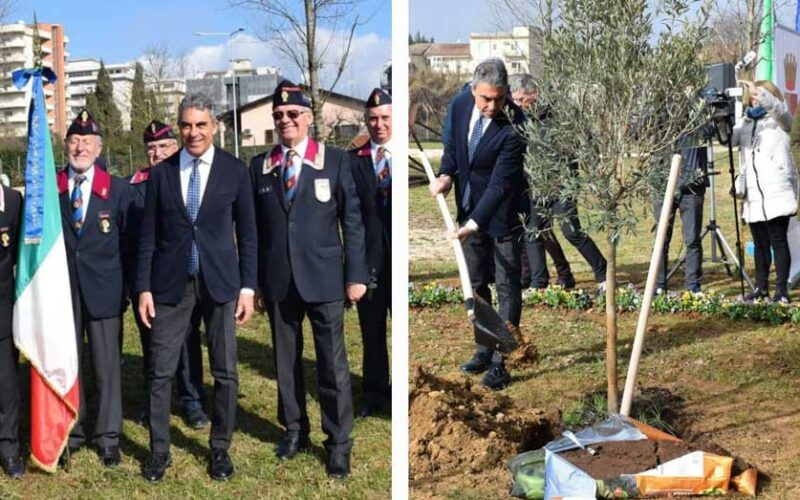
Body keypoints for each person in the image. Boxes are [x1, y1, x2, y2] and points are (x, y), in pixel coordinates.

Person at [136, 94, 257, 482]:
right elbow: (147, 237)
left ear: (214, 126)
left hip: (221, 283)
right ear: (180, 126)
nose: (193, 132)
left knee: (225, 372)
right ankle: (159, 451)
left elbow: (249, 235)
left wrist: (248, 288)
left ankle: (220, 448)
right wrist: (143, 288)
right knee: (159, 371)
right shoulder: (161, 174)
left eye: (201, 125)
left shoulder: (234, 171)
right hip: (170, 285)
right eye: (186, 125)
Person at [251, 80, 368, 478]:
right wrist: (255, 285)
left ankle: (338, 444)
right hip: (279, 282)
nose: (286, 120)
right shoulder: (260, 167)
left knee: (332, 366)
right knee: (286, 363)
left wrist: (355, 275)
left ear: (308, 117)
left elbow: (352, 223)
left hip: (325, 279)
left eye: (293, 114)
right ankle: (295, 431)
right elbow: (252, 234)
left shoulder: (335, 162)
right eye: (279, 115)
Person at [430, 58, 526, 390]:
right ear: (473, 91)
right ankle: (485, 347)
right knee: (475, 282)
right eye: (486, 99)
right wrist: (445, 174)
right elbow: (453, 148)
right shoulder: (459, 105)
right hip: (468, 205)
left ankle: (502, 361)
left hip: (503, 215)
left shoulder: (515, 124)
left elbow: (500, 184)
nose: (492, 106)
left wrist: (473, 223)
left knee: (506, 285)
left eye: (499, 99)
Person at [125, 120, 208, 429]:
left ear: (176, 147)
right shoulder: (131, 186)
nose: (157, 153)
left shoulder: (187, 178)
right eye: (151, 148)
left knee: (187, 341)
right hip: (146, 280)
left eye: (163, 146)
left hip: (182, 277)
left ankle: (192, 399)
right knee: (152, 346)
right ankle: (153, 402)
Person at [58, 110, 128, 468]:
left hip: (105, 292)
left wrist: (129, 292)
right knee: (68, 367)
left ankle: (108, 437)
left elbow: (129, 246)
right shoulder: (51, 189)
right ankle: (71, 432)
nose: (80, 147)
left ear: (99, 148)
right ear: (65, 145)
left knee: (107, 367)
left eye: (87, 141)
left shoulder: (116, 190)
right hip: (62, 294)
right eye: (74, 140)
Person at [509, 73, 576, 289]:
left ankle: (546, 277)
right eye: (515, 100)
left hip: (546, 183)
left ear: (534, 95)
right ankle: (538, 278)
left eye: (521, 100)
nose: (518, 104)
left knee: (538, 231)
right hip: (527, 180)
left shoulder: (551, 115)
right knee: (535, 231)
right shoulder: (515, 114)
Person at [349, 88, 392, 417]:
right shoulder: (354, 162)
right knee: (372, 331)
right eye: (373, 119)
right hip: (370, 261)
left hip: (403, 261)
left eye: (385, 118)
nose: (379, 124)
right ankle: (375, 394)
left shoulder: (406, 156)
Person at [733, 80, 798, 303]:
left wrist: (760, 93)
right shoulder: (746, 122)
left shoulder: (782, 119)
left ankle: (781, 290)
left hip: (776, 189)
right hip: (753, 193)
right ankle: (761, 288)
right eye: (752, 97)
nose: (755, 100)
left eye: (759, 96)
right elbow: (731, 140)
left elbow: (777, 109)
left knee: (778, 240)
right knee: (760, 243)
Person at [652, 137, 708, 293]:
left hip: (692, 188)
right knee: (661, 239)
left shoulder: (697, 118)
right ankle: (658, 287)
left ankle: (693, 288)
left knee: (692, 239)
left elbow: (713, 131)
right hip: (662, 186)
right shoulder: (659, 116)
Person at [0, 184, 24, 479]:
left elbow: (19, 253)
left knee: (6, 384)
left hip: (2, 306)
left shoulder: (13, 200)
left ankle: (8, 447)